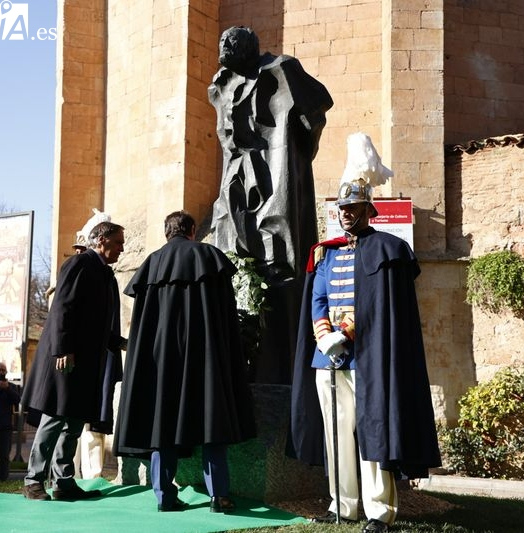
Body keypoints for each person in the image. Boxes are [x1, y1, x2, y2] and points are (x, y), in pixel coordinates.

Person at [290, 134, 441, 533]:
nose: (345, 214)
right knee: (336, 436)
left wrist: (347, 332)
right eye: (342, 208)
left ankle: (379, 509)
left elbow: (377, 305)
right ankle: (343, 504)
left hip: (368, 356)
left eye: (353, 208)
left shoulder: (387, 249)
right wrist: (325, 336)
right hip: (329, 356)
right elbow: (317, 298)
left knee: (373, 431)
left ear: (368, 211)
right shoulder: (327, 253)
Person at [209, 25, 334, 383]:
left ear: (246, 47)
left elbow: (316, 110)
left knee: (280, 254)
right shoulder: (220, 84)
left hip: (275, 173)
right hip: (235, 179)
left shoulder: (283, 69)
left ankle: (281, 365)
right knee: (236, 246)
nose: (223, 49)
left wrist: (294, 155)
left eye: (229, 45)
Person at [114, 210, 256, 513]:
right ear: (192, 230)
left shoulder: (151, 263)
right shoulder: (208, 256)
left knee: (161, 423)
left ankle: (164, 496)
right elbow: (225, 315)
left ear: (167, 232)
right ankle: (220, 496)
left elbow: (143, 325)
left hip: (161, 360)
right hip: (204, 355)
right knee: (211, 421)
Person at [21, 220, 126, 501]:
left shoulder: (104, 274)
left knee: (75, 423)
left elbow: (96, 323)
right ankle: (33, 480)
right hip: (65, 359)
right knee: (55, 418)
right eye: (118, 243)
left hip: (86, 363)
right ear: (101, 240)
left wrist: (119, 343)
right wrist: (63, 349)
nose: (122, 249)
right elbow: (62, 308)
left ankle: (63, 481)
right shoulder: (79, 264)